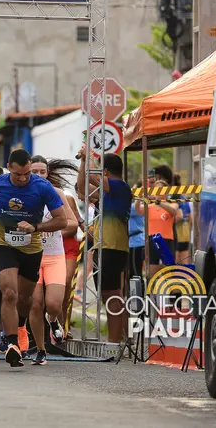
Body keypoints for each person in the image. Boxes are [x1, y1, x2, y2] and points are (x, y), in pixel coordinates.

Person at [0, 148, 68, 367]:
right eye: (18, 175)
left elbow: (62, 220)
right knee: (8, 293)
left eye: (27, 173)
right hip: (3, 243)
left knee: (26, 299)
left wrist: (36, 227)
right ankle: (12, 344)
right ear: (9, 168)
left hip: (31, 248)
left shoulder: (42, 187)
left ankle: (21, 325)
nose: (24, 178)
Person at [76, 146, 133, 344]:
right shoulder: (106, 193)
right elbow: (82, 188)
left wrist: (89, 155)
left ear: (105, 172)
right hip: (103, 247)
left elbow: (93, 179)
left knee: (112, 295)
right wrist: (84, 162)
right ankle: (125, 338)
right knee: (109, 295)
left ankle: (115, 341)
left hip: (114, 247)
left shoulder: (120, 187)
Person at [28, 156, 79, 365]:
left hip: (54, 256)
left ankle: (54, 321)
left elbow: (73, 224)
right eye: (34, 172)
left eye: (42, 172)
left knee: (53, 304)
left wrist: (47, 228)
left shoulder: (56, 194)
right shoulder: (22, 196)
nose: (39, 175)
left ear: (47, 174)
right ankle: (41, 350)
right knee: (35, 304)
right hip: (32, 256)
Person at [139, 164, 179, 277]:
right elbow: (139, 209)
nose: (158, 192)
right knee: (151, 270)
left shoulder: (172, 203)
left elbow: (174, 212)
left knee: (169, 270)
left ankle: (171, 290)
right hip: (152, 239)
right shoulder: (150, 206)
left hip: (167, 239)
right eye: (156, 190)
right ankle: (152, 292)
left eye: (161, 190)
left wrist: (159, 202)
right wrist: (139, 197)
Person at [128, 183, 145, 279]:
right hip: (131, 241)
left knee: (135, 272)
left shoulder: (136, 207)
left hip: (136, 242)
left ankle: (139, 292)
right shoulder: (132, 205)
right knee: (131, 272)